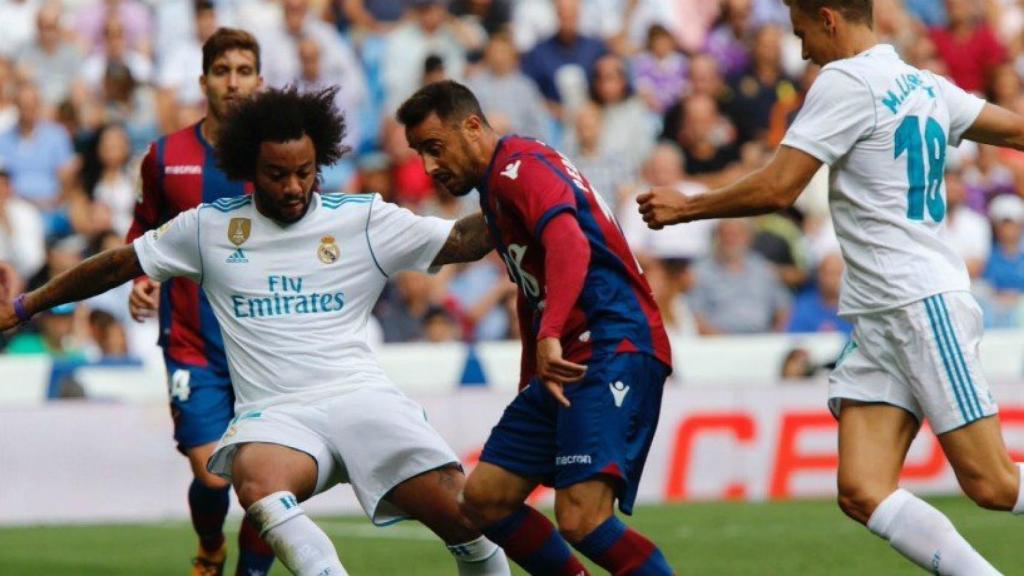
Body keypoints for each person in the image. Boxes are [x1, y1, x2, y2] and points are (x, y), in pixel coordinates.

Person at [0, 86, 510, 576]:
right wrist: (27, 304)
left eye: (304, 173)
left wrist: (522, 188)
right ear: (248, 167)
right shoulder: (206, 229)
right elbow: (115, 265)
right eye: (276, 174)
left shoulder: (363, 220)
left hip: (364, 399)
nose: (292, 187)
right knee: (255, 479)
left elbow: (462, 241)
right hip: (278, 414)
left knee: (469, 528)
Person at [638, 1, 1024, 573]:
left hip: (919, 300)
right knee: (863, 488)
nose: (801, 50)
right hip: (881, 312)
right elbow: (1017, 128)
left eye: (801, 33)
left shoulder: (846, 81)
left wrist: (687, 206)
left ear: (828, 18)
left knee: (993, 484)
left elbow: (778, 188)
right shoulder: (923, 83)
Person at [399, 80, 674, 576]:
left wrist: (549, 334)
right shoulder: (497, 192)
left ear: (473, 126)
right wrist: (534, 370)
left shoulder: (519, 165)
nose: (428, 167)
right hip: (567, 358)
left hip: (613, 342)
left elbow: (571, 242)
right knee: (484, 499)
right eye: (419, 153)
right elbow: (534, 291)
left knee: (582, 518)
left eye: (434, 149)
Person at [123, 27, 276, 576]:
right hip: (192, 341)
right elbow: (144, 231)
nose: (232, 83)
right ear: (203, 81)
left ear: (260, 81)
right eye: (221, 71)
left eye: (243, 71)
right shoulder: (166, 157)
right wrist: (143, 279)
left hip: (267, 346)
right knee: (213, 475)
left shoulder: (282, 157)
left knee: (265, 479)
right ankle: (210, 544)